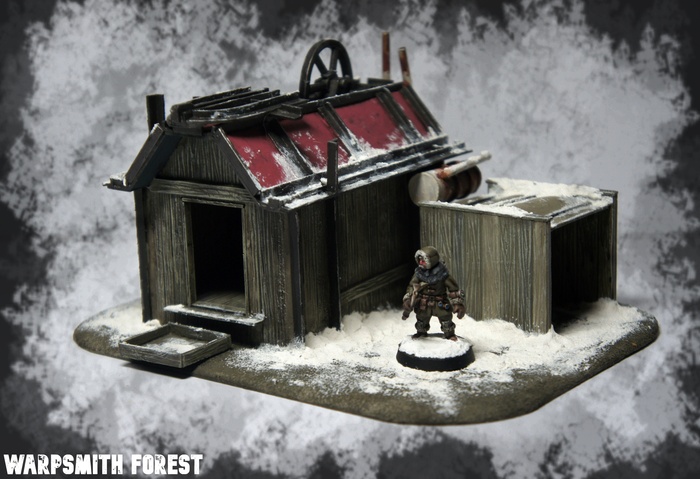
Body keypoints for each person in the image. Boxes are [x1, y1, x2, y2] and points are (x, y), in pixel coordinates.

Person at [402, 246, 466, 340]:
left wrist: (458, 304)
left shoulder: (443, 274)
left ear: (431, 260)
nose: (420, 263)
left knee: (446, 319)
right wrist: (408, 299)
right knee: (421, 319)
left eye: (423, 260)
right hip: (423, 303)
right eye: (419, 260)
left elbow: (453, 290)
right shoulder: (418, 273)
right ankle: (421, 333)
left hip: (440, 303)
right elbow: (412, 286)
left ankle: (449, 335)